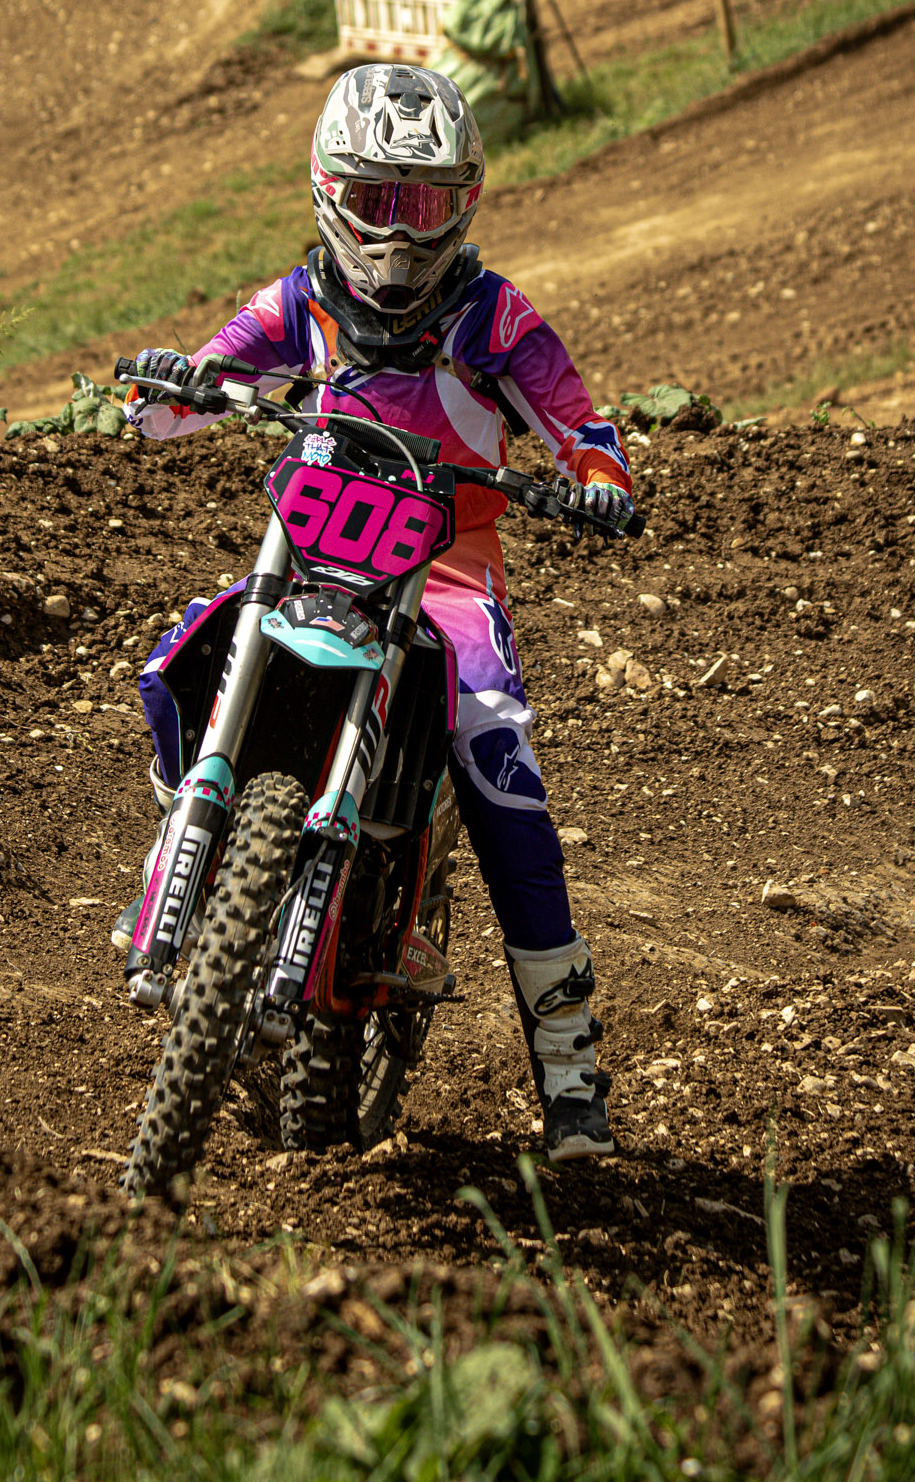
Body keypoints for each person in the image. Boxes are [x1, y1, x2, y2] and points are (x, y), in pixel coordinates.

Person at [115, 63, 636, 1161]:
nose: (397, 232)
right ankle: (182, 846)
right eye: (376, 199)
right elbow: (188, 390)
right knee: (183, 657)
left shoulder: (495, 317)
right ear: (328, 190)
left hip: (447, 569)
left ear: (464, 202)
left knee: (499, 763)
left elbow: (579, 423)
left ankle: (568, 1067)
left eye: (424, 201)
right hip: (310, 553)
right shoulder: (298, 302)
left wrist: (597, 476)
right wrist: (169, 386)